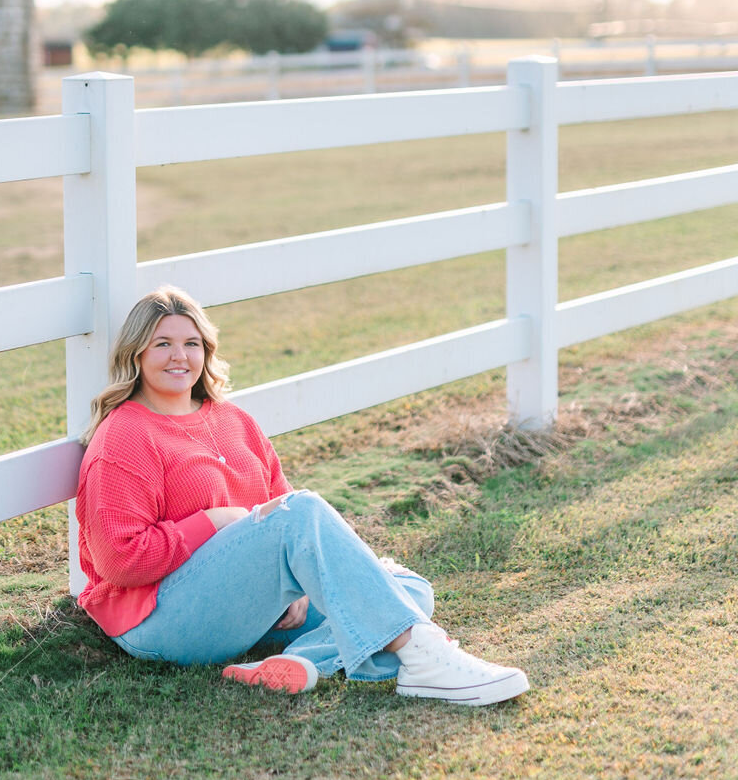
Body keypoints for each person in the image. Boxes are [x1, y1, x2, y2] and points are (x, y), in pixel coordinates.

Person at [74, 286, 529, 703]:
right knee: (344, 560)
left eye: (191, 343)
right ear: (136, 354)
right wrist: (215, 522)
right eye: (163, 344)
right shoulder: (124, 437)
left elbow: (280, 505)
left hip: (247, 610)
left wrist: (299, 582)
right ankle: (425, 660)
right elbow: (119, 560)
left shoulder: (233, 421)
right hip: (159, 620)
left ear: (206, 352)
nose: (180, 356)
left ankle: (300, 662)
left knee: (407, 591)